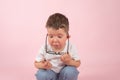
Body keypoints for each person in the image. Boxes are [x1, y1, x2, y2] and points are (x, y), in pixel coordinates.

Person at [34, 13, 81, 80]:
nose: (55, 40)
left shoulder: (70, 47)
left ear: (67, 36)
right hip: (50, 72)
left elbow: (78, 63)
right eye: (51, 36)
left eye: (59, 36)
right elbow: (36, 63)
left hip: (64, 74)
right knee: (41, 74)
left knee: (71, 72)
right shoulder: (45, 48)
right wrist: (43, 65)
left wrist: (69, 61)